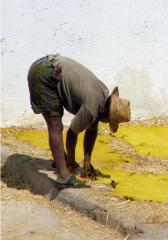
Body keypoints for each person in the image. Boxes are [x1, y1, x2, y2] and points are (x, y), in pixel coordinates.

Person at [27, 54, 131, 185]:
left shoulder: (103, 93)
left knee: (56, 123)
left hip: (49, 66)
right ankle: (63, 174)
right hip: (44, 74)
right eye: (108, 120)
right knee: (56, 126)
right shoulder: (92, 107)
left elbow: (92, 129)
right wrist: (71, 162)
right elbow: (72, 133)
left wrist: (87, 161)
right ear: (105, 112)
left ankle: (61, 161)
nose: (105, 122)